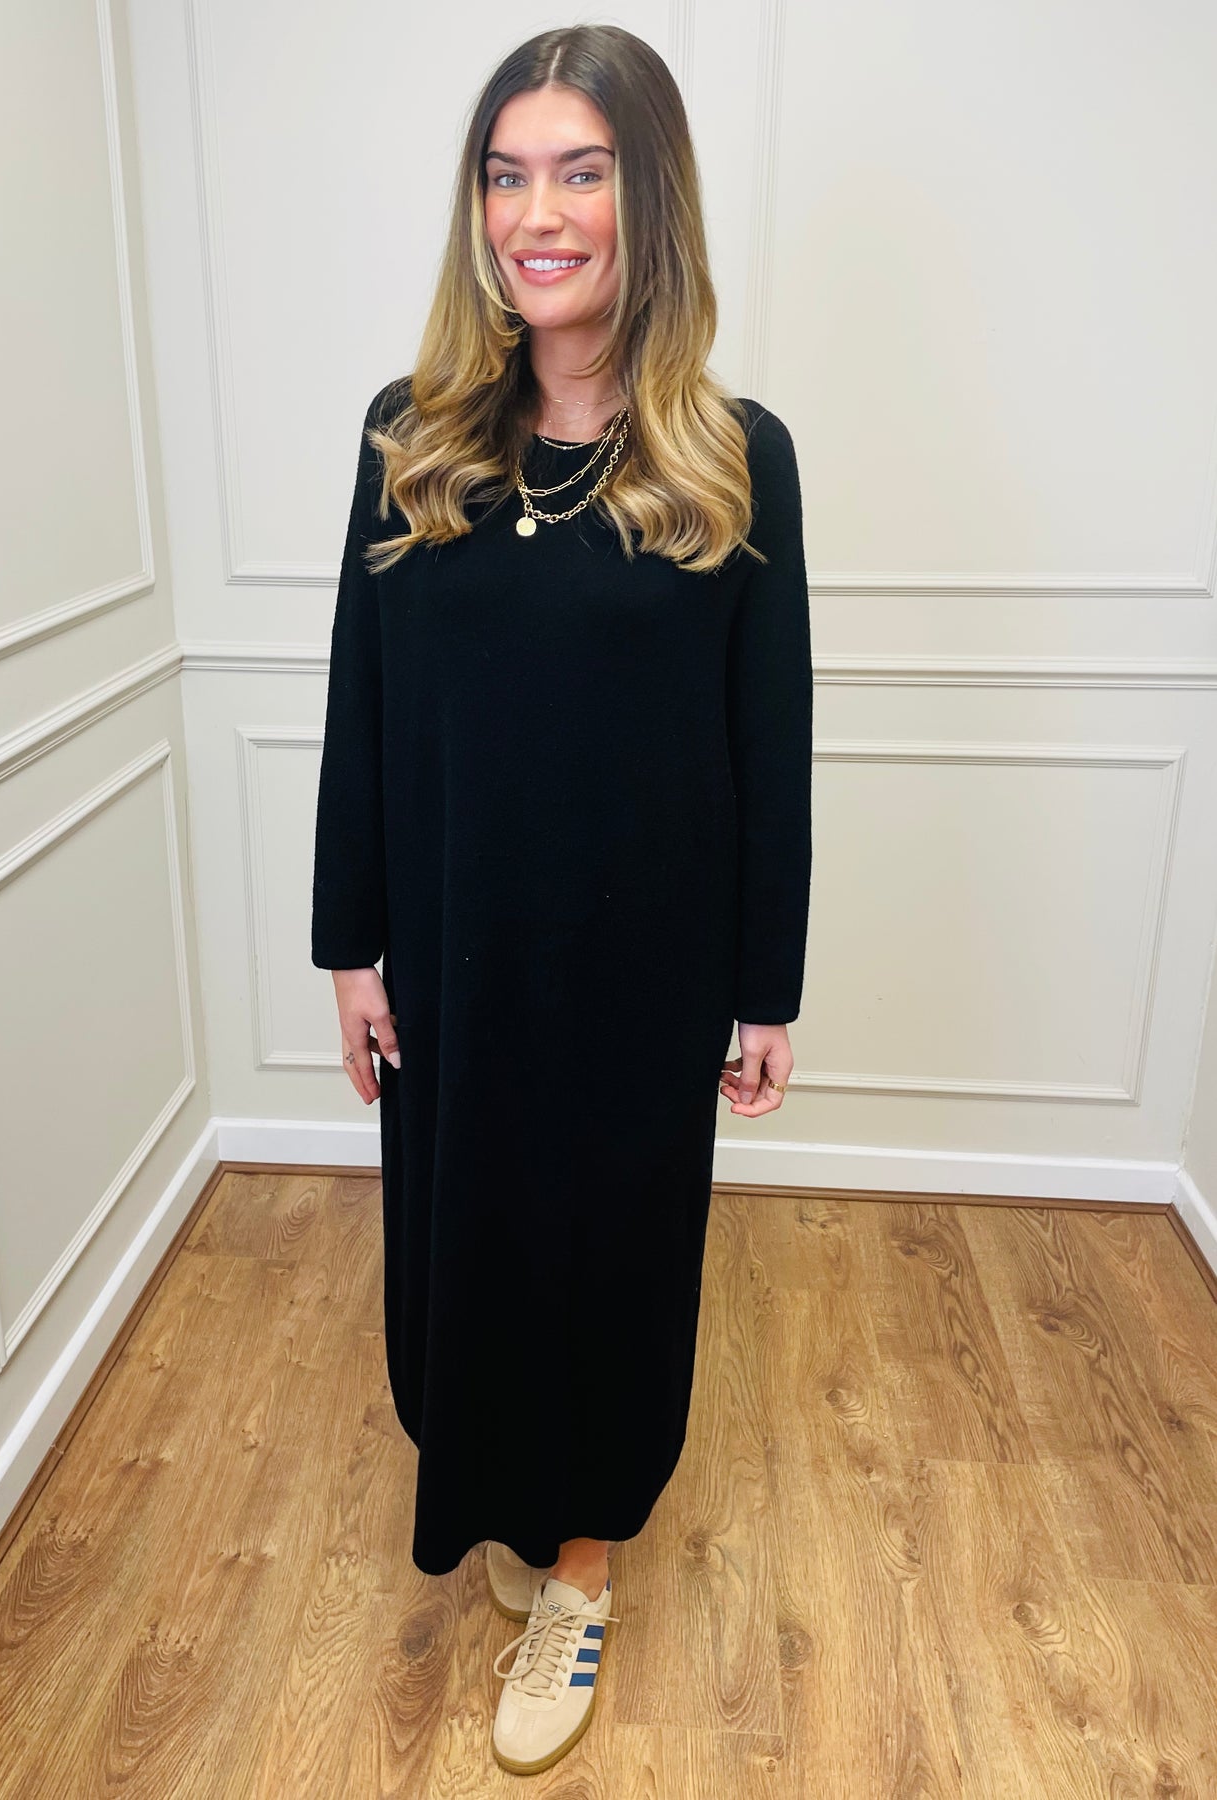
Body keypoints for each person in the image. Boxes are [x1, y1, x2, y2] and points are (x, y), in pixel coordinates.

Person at [310, 22, 812, 1778]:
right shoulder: (411, 435)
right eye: (507, 174)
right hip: (454, 956)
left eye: (580, 173)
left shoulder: (732, 453)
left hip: (638, 973)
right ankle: (510, 1498)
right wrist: (350, 948)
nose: (538, 214)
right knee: (468, 1250)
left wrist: (763, 988)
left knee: (605, 1259)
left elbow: (769, 739)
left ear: (644, 199)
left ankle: (583, 1564)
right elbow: (361, 704)